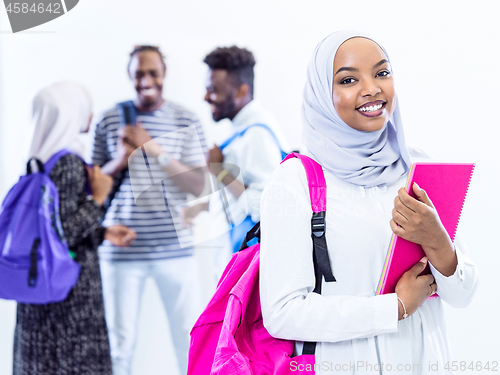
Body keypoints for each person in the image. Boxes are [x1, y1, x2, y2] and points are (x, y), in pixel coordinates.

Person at [259, 31, 478, 374]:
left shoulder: (418, 168)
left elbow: (463, 295)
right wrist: (395, 308)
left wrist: (438, 242)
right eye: (348, 79)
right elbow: (283, 313)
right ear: (321, 93)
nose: (372, 88)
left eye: (382, 73)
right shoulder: (295, 182)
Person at [91, 45, 207, 375]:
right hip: (121, 251)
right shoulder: (109, 118)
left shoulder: (187, 119)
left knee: (189, 343)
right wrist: (118, 158)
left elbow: (199, 185)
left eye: (152, 72)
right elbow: (90, 186)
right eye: (139, 73)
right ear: (129, 75)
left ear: (164, 73)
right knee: (118, 346)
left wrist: (152, 148)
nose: (146, 80)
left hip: (175, 248)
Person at [13, 82, 136, 375]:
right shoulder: (68, 163)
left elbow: (48, 231)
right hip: (69, 295)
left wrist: (100, 232)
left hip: (39, 286)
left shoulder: (36, 161)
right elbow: (62, 232)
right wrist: (98, 200)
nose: (90, 115)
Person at [182, 45, 288, 275]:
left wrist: (220, 171)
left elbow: (263, 204)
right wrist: (200, 207)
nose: (206, 96)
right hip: (236, 263)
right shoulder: (243, 131)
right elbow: (240, 198)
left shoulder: (256, 136)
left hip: (248, 269)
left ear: (241, 91)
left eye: (213, 89)